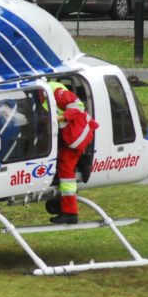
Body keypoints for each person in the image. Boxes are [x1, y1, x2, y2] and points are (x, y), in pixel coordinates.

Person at [47, 81, 99, 224]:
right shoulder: (38, 94)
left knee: (66, 168)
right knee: (62, 162)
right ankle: (82, 161)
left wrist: (61, 118)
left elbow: (77, 106)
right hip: (70, 134)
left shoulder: (54, 91)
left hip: (76, 134)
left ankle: (70, 213)